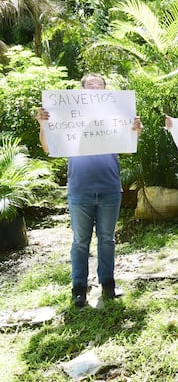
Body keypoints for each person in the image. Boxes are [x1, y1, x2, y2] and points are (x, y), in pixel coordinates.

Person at [36, 73, 143, 307]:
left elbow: (129, 144)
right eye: (90, 86)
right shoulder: (67, 117)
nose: (95, 89)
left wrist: (136, 129)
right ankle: (79, 289)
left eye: (99, 86)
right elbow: (47, 147)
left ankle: (108, 285)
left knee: (107, 240)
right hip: (80, 190)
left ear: (105, 92)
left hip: (110, 189)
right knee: (80, 242)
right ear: (82, 92)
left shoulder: (116, 116)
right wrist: (44, 124)